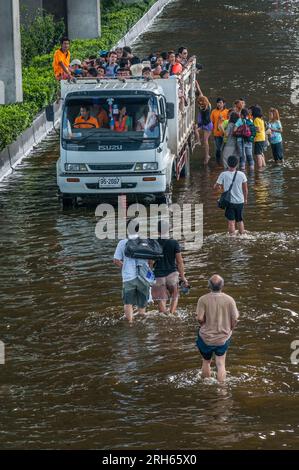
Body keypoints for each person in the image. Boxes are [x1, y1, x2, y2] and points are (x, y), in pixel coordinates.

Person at [195, 275, 239, 382]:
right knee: (220, 363)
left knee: (206, 361)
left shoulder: (203, 299)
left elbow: (200, 318)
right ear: (222, 285)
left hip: (206, 337)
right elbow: (236, 318)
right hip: (223, 338)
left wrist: (203, 324)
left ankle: (206, 385)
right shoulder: (229, 300)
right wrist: (231, 328)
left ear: (209, 285)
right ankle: (222, 389)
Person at [113, 223, 150, 324]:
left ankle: (130, 323)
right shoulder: (145, 242)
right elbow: (151, 259)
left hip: (128, 277)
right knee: (142, 304)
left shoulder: (122, 243)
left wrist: (124, 267)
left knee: (128, 302)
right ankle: (142, 322)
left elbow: (116, 260)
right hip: (143, 277)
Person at [151, 220, 188, 315]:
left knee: (161, 298)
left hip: (158, 274)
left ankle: (164, 315)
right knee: (175, 295)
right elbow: (179, 262)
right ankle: (171, 314)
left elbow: (150, 262)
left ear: (158, 231)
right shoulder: (174, 243)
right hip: (172, 274)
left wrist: (150, 273)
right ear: (168, 230)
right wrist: (183, 277)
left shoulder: (154, 243)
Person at [214, 155, 248, 235]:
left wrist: (219, 186)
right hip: (240, 201)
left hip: (229, 202)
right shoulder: (242, 174)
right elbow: (245, 189)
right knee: (239, 219)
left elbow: (216, 186)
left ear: (227, 164)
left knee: (231, 221)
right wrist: (245, 199)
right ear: (237, 164)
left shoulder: (223, 174)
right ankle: (242, 234)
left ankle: (232, 238)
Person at [210, 98, 229, 165]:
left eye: (220, 102)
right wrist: (211, 132)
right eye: (218, 103)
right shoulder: (213, 111)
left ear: (224, 103)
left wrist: (222, 119)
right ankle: (218, 162)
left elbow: (230, 122)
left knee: (225, 148)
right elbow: (211, 123)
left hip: (225, 133)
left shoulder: (227, 111)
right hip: (217, 133)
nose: (219, 104)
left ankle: (225, 162)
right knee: (218, 149)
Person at [197, 95, 213, 164]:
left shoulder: (205, 109)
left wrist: (199, 126)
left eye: (201, 102)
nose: (200, 103)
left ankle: (207, 156)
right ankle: (198, 141)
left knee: (205, 141)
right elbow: (201, 94)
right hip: (206, 125)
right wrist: (197, 86)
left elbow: (206, 120)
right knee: (204, 140)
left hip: (207, 125)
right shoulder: (208, 105)